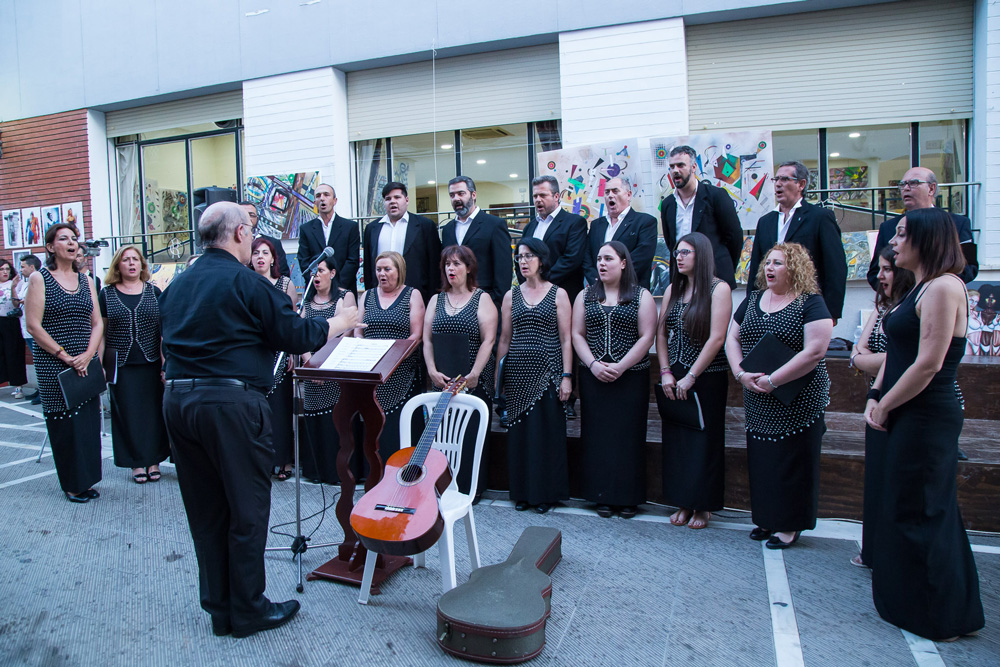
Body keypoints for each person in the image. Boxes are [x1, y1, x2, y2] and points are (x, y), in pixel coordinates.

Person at [159, 202, 358, 638]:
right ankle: (248, 609)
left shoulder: (177, 285)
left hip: (178, 402)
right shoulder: (247, 283)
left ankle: (220, 609)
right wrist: (341, 320)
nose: (253, 240)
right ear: (237, 234)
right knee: (247, 509)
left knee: (206, 509)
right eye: (250, 232)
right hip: (229, 406)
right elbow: (296, 335)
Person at [864, 207, 984, 641]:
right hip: (908, 410)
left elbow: (928, 363)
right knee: (910, 506)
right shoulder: (922, 287)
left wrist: (884, 405)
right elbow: (897, 356)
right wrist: (878, 396)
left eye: (900, 235)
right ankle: (913, 602)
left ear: (926, 239)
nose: (892, 243)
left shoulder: (944, 287)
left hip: (927, 413)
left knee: (925, 511)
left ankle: (939, 614)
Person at [726, 242, 832, 549]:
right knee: (764, 461)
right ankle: (767, 518)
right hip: (758, 395)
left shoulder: (811, 302)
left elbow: (815, 350)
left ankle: (790, 525)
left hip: (799, 398)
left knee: (793, 462)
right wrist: (740, 373)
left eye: (778, 263)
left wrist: (775, 379)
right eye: (768, 263)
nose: (770, 268)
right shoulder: (754, 298)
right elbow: (732, 337)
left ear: (795, 269)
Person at [572, 241, 656, 519]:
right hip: (594, 377)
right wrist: (593, 365)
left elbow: (647, 336)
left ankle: (628, 497)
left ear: (623, 262)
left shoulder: (640, 295)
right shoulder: (585, 295)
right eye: (598, 258)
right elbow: (577, 334)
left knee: (628, 436)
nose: (601, 263)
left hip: (631, 377)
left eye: (608, 258)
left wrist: (621, 366)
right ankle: (601, 495)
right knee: (597, 436)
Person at [655, 232, 732, 530]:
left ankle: (704, 506)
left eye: (685, 252)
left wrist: (691, 376)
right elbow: (661, 333)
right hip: (674, 373)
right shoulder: (675, 287)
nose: (679, 257)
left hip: (706, 375)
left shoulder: (718, 288)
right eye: (677, 253)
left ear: (701, 255)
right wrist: (665, 372)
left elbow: (717, 338)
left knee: (705, 441)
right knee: (678, 441)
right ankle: (683, 501)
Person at [25, 223, 103, 503]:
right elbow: (33, 325)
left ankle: (87, 479)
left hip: (84, 362)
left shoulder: (86, 280)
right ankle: (72, 484)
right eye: (63, 239)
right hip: (55, 365)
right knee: (65, 425)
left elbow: (97, 323)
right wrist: (65, 356)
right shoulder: (40, 278)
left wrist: (88, 355)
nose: (72, 243)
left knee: (87, 423)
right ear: (50, 247)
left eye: (74, 238)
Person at [496, 237, 572, 514]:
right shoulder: (511, 295)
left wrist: (567, 376)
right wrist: (498, 381)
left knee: (546, 434)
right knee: (520, 435)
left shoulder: (558, 294)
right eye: (520, 257)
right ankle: (523, 493)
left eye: (529, 256)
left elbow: (566, 339)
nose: (523, 261)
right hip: (516, 373)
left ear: (542, 259)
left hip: (549, 373)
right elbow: (504, 339)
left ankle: (546, 494)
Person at [423, 245, 498, 497]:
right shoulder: (436, 299)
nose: (451, 269)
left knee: (469, 436)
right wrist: (432, 370)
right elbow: (427, 340)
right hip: (441, 381)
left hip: (472, 380)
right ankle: (443, 486)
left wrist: (475, 373)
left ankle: (470, 488)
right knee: (442, 436)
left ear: (469, 268)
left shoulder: (482, 298)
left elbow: (489, 340)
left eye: (456, 264)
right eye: (447, 264)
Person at [99, 246, 169, 484]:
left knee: (153, 413)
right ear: (118, 265)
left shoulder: (154, 292)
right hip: (121, 364)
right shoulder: (106, 294)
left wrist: (164, 365)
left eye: (135, 259)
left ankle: (154, 460)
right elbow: (102, 332)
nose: (131, 263)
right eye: (126, 260)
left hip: (150, 361)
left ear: (142, 264)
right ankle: (136, 462)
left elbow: (162, 333)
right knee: (127, 414)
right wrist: (99, 365)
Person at [746, 161, 848, 322]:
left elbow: (835, 267)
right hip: (769, 305)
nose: (778, 184)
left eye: (785, 179)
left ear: (801, 184)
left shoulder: (820, 217)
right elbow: (757, 267)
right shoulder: (766, 221)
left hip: (807, 304)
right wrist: (750, 307)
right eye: (776, 179)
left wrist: (831, 312)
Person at [356, 251, 425, 462]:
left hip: (402, 373)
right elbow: (358, 330)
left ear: (399, 270)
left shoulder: (412, 295)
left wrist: (394, 358)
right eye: (378, 270)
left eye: (387, 269)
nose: (382, 274)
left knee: (400, 429)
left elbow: (416, 335)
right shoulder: (367, 296)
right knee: (374, 430)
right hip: (373, 374)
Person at [866, 166, 978, 288]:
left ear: (931, 188)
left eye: (914, 183)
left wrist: (934, 287)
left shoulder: (958, 223)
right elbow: (874, 273)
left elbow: (969, 267)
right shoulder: (888, 227)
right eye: (902, 184)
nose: (906, 188)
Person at [299, 254, 358, 485]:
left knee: (335, 421)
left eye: (321, 271)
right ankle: (316, 471)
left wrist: (325, 363)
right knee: (313, 417)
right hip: (314, 370)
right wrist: (312, 362)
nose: (316, 276)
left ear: (332, 273)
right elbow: (300, 334)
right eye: (313, 272)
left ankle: (338, 473)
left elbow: (346, 332)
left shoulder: (345, 296)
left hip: (335, 368)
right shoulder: (307, 301)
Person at [660, 145, 744, 288]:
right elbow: (670, 242)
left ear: (693, 167)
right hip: (682, 280)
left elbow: (734, 236)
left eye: (681, 165)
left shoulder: (716, 196)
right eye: (672, 167)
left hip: (714, 276)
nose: (675, 171)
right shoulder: (668, 203)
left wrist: (723, 264)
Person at [249, 237, 297, 480]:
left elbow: (290, 323)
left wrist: (289, 353)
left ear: (272, 258)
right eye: (255, 252)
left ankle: (283, 461)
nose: (260, 257)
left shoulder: (285, 284)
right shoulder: (245, 283)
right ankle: (261, 461)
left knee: (280, 409)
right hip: (254, 354)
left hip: (279, 354)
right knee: (258, 412)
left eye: (265, 253)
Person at [362, 182, 442, 303]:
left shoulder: (424, 226)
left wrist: (432, 299)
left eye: (397, 197)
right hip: (380, 297)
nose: (392, 202)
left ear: (407, 200)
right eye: (388, 199)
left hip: (416, 296)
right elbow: (368, 267)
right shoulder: (372, 229)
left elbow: (434, 265)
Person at [442, 176, 513, 309]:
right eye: (452, 195)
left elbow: (504, 268)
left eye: (461, 193)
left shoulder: (494, 225)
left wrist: (497, 302)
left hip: (486, 301)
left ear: (473, 194)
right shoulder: (447, 229)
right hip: (454, 303)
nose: (456, 198)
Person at [519, 175, 588, 302]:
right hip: (531, 298)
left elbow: (571, 259)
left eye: (543, 195)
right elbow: (519, 257)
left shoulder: (575, 223)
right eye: (535, 196)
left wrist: (542, 283)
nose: (538, 200)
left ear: (556, 196)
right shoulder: (529, 227)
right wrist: (528, 285)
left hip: (564, 295)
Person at [584, 177, 658, 289]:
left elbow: (641, 258)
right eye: (607, 192)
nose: (610, 195)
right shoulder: (596, 225)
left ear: (628, 195)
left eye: (615, 191)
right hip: (599, 292)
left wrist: (612, 281)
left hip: (630, 291)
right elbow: (587, 258)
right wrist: (597, 282)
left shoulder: (645, 222)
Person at [296, 183, 361, 294]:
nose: (322, 198)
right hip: (316, 291)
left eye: (326, 195)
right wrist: (320, 284)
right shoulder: (306, 229)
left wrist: (335, 285)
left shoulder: (350, 227)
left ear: (335, 200)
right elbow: (304, 261)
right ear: (314, 202)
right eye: (318, 196)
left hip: (343, 289)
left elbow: (353, 260)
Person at [13, 255, 41, 403]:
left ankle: (44, 392)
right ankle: (39, 389)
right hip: (26, 328)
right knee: (36, 361)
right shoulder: (24, 284)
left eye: (23, 266)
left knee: (40, 360)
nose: (21, 269)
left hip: (36, 329)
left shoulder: (40, 282)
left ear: (32, 267)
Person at [240, 201, 290, 278]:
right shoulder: (229, 244)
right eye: (243, 215)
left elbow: (283, 273)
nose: (248, 218)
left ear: (257, 218)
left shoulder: (273, 243)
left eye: (251, 215)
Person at [0, 259, 27, 397]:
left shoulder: (16, 284)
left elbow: (17, 305)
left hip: (12, 321)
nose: (5, 272)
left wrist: (12, 289)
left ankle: (18, 386)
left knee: (14, 353)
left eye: (7, 269)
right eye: (1, 269)